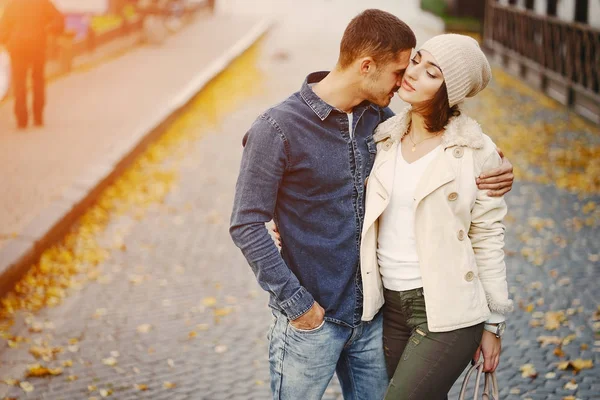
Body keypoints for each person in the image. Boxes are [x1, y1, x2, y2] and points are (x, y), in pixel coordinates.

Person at [230, 10, 514, 400]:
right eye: (403, 70)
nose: (404, 82)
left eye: (418, 70)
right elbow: (246, 224)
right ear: (366, 66)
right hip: (312, 321)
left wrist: (498, 166)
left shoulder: (379, 122)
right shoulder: (277, 128)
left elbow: (442, 140)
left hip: (372, 319)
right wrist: (298, 305)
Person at [360, 34, 512, 400]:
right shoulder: (384, 138)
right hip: (391, 306)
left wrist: (494, 324)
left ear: (450, 90)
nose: (413, 73)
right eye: (417, 61)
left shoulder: (474, 151)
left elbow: (488, 236)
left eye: (432, 72)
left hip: (448, 308)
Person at [0, 0, 64, 129]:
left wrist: (8, 39)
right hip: (37, 44)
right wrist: (47, 29)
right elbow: (58, 20)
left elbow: (2, 27)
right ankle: (38, 116)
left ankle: (21, 118)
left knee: (19, 81)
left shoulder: (13, 4)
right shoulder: (42, 3)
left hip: (17, 46)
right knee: (38, 79)